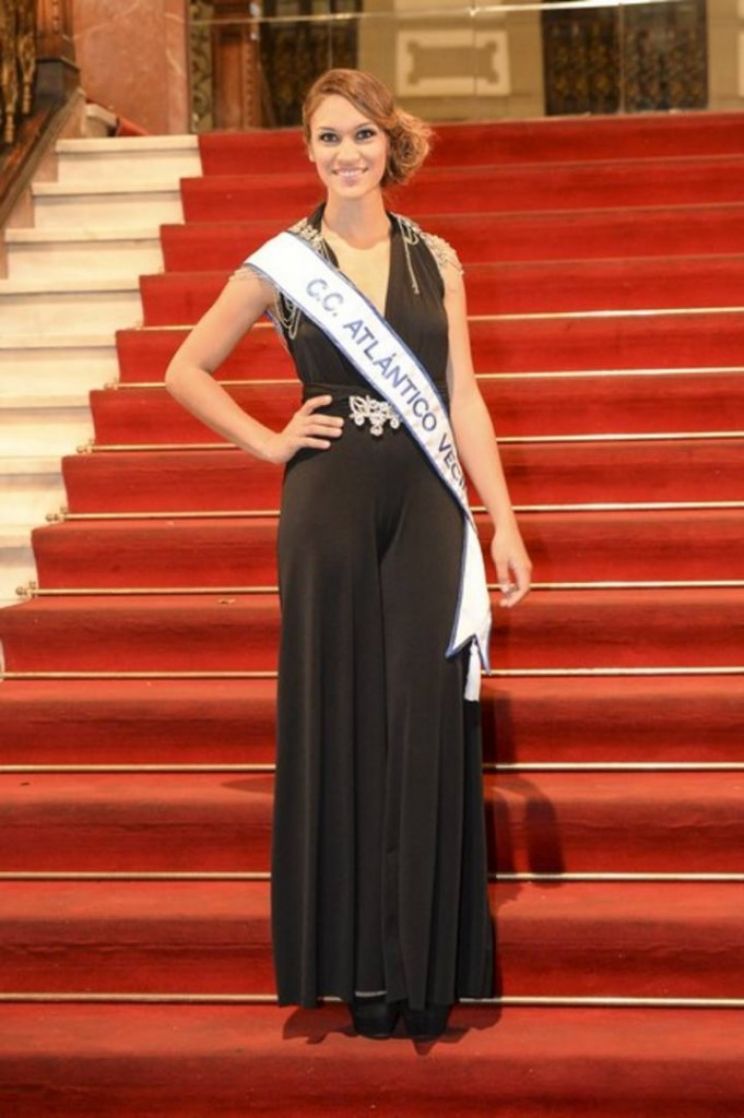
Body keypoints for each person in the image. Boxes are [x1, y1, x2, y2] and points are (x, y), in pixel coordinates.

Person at [164, 67, 533, 1042]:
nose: (347, 153)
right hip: (326, 502)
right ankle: (358, 966)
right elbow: (184, 368)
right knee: (340, 713)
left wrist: (501, 518)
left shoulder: (435, 258)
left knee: (423, 713)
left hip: (427, 503)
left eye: (362, 134)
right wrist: (268, 441)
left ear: (388, 142)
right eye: (329, 137)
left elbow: (461, 395)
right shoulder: (283, 263)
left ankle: (423, 961)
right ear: (308, 150)